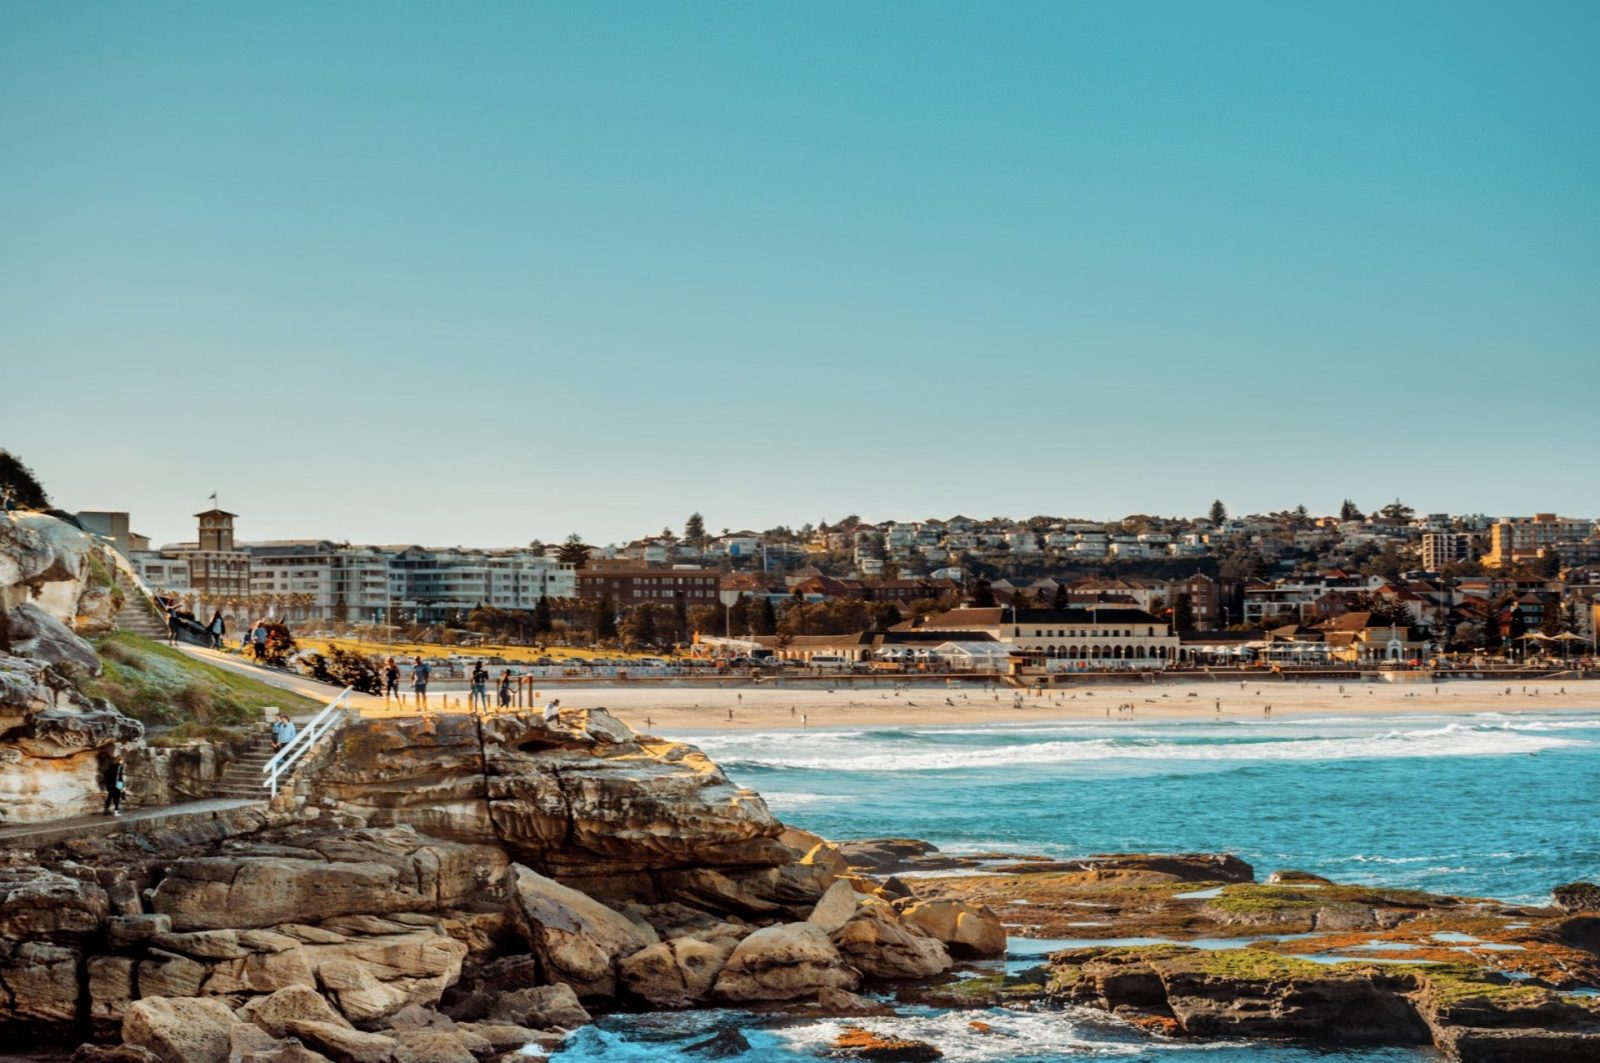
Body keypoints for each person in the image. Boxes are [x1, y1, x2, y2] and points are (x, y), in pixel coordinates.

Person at [102, 751, 126, 816]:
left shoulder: (116, 766)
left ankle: (108, 810)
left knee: (111, 797)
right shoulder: (116, 766)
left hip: (114, 785)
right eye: (122, 760)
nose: (123, 761)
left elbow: (119, 777)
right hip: (114, 785)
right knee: (115, 797)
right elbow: (118, 777)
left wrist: (123, 785)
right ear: (119, 760)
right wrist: (122, 786)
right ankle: (114, 811)